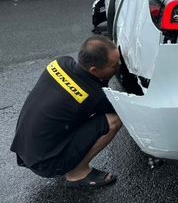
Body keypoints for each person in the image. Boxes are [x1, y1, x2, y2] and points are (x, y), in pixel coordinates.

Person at [11, 35, 122, 188]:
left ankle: (61, 155)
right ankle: (77, 173)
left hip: (24, 148)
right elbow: (121, 110)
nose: (119, 66)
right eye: (114, 65)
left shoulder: (60, 63)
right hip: (45, 163)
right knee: (113, 120)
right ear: (94, 70)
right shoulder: (94, 95)